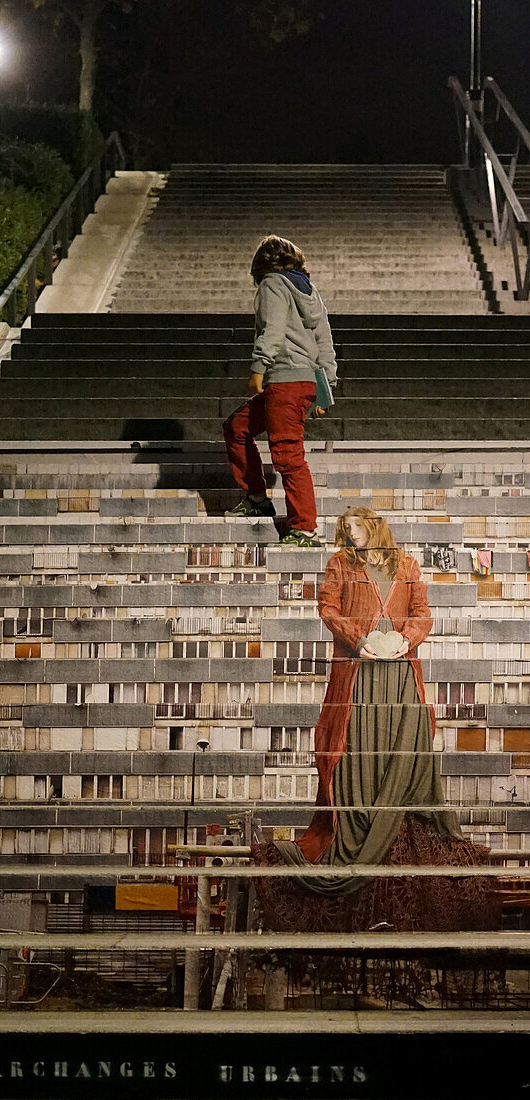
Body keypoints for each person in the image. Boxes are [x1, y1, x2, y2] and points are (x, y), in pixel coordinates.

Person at [254, 508, 494, 930]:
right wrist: (359, 639)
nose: (351, 535)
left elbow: (423, 614)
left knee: (401, 748)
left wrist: (406, 639)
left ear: (375, 527)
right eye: (346, 529)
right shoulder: (340, 564)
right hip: (358, 673)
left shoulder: (407, 564)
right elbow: (327, 607)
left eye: (357, 527)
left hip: (400, 672)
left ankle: (392, 828)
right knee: (355, 749)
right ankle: (360, 828)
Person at [223, 235, 338, 548]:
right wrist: (326, 387)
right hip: (302, 383)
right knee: (237, 427)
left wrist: (258, 367)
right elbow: (324, 341)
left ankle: (305, 528)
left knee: (288, 457)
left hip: (284, 381)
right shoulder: (311, 292)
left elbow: (271, 329)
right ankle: (257, 498)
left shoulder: (272, 285)